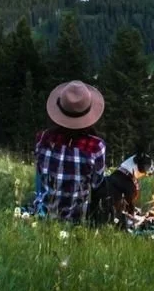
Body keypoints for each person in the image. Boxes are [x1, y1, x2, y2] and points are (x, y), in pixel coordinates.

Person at [33, 80, 107, 222]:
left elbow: (41, 171)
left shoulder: (42, 138)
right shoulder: (96, 146)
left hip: (44, 215)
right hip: (76, 218)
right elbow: (97, 183)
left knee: (40, 172)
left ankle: (41, 204)